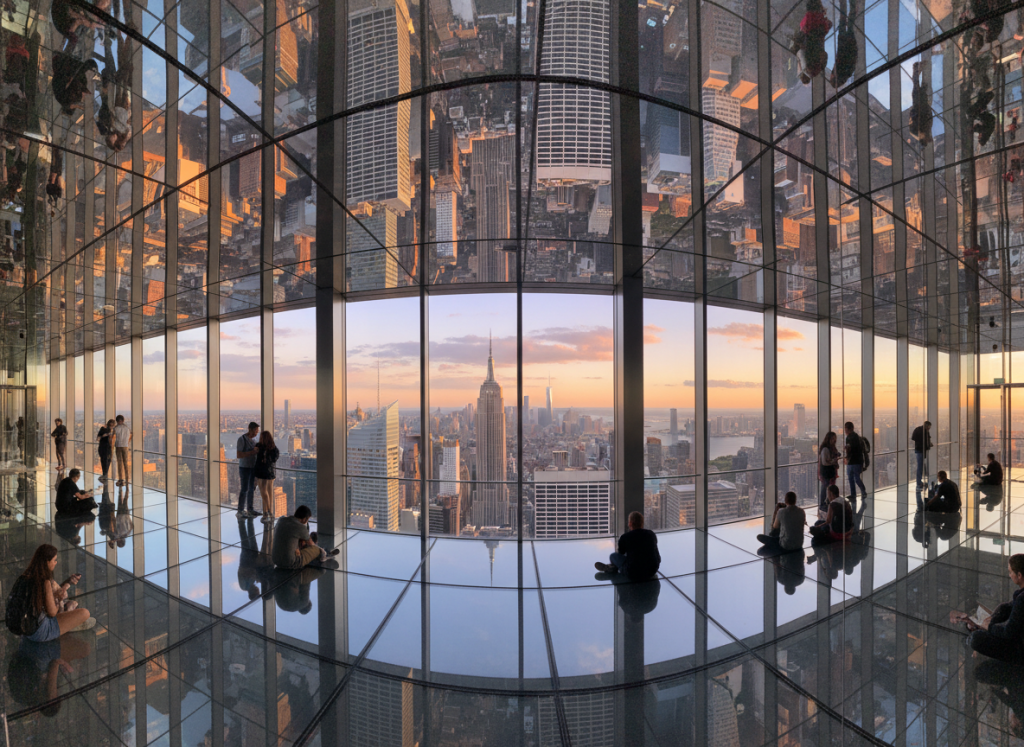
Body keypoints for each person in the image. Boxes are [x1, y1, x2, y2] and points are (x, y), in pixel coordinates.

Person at [951, 554, 1024, 664]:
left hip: (1020, 650)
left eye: (1010, 572)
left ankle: (982, 628)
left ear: (1019, 575)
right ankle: (982, 625)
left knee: (976, 639)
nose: (1009, 575)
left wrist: (989, 626)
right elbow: (1007, 607)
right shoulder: (1020, 596)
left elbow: (1008, 632)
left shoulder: (1021, 600)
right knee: (1004, 608)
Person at [18, 544, 95, 641]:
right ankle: (68, 626)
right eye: (54, 560)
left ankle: (67, 620)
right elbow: (52, 612)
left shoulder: (26, 576)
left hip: (25, 627)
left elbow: (48, 594)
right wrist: (59, 599)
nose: (56, 563)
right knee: (85, 613)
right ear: (47, 562)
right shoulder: (44, 581)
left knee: (70, 605)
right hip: (38, 632)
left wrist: (68, 582)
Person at [594, 511, 661, 580]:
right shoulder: (651, 534)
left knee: (613, 556)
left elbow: (620, 553)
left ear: (630, 523)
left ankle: (611, 568)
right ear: (642, 523)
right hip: (652, 571)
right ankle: (610, 567)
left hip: (632, 572)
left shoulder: (625, 537)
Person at [271, 505, 338, 569]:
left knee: (299, 541)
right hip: (290, 562)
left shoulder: (281, 520)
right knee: (316, 550)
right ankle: (325, 554)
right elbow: (311, 545)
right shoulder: (300, 527)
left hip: (275, 560)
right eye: (308, 519)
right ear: (305, 519)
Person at [254, 430, 280, 525]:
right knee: (269, 493)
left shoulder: (259, 446)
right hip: (270, 472)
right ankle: (268, 513)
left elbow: (257, 460)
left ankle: (267, 511)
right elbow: (274, 459)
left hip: (262, 472)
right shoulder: (273, 448)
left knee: (263, 493)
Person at [236, 422, 260, 518]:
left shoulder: (253, 440)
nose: (256, 433)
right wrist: (252, 452)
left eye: (257, 431)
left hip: (252, 468)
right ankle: (240, 510)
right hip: (244, 468)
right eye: (255, 431)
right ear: (250, 429)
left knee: (251, 489)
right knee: (244, 489)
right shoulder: (241, 440)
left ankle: (250, 509)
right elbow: (239, 455)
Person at [843, 421, 867, 502]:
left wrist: (846, 450)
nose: (845, 431)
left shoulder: (850, 438)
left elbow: (850, 449)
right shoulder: (857, 437)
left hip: (852, 462)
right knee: (856, 478)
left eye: (846, 429)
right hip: (857, 461)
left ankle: (854, 494)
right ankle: (862, 492)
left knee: (851, 479)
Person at [818, 431, 839, 511]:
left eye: (835, 438)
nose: (834, 440)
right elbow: (824, 462)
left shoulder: (830, 448)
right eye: (833, 438)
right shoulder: (826, 449)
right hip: (826, 471)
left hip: (829, 471)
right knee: (825, 487)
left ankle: (826, 502)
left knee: (826, 487)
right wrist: (834, 461)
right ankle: (823, 503)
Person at [911, 420, 932, 488]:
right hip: (921, 450)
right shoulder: (923, 431)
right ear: (926, 426)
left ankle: (920, 482)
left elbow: (913, 438)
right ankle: (919, 482)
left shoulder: (918, 429)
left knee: (921, 466)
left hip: (920, 450)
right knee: (920, 467)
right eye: (928, 427)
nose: (929, 429)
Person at [112, 415, 132, 486]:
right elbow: (130, 436)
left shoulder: (115, 428)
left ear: (117, 421)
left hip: (118, 446)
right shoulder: (127, 428)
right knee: (125, 463)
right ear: (123, 420)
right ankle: (127, 479)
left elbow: (113, 438)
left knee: (120, 463)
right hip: (125, 446)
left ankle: (121, 479)